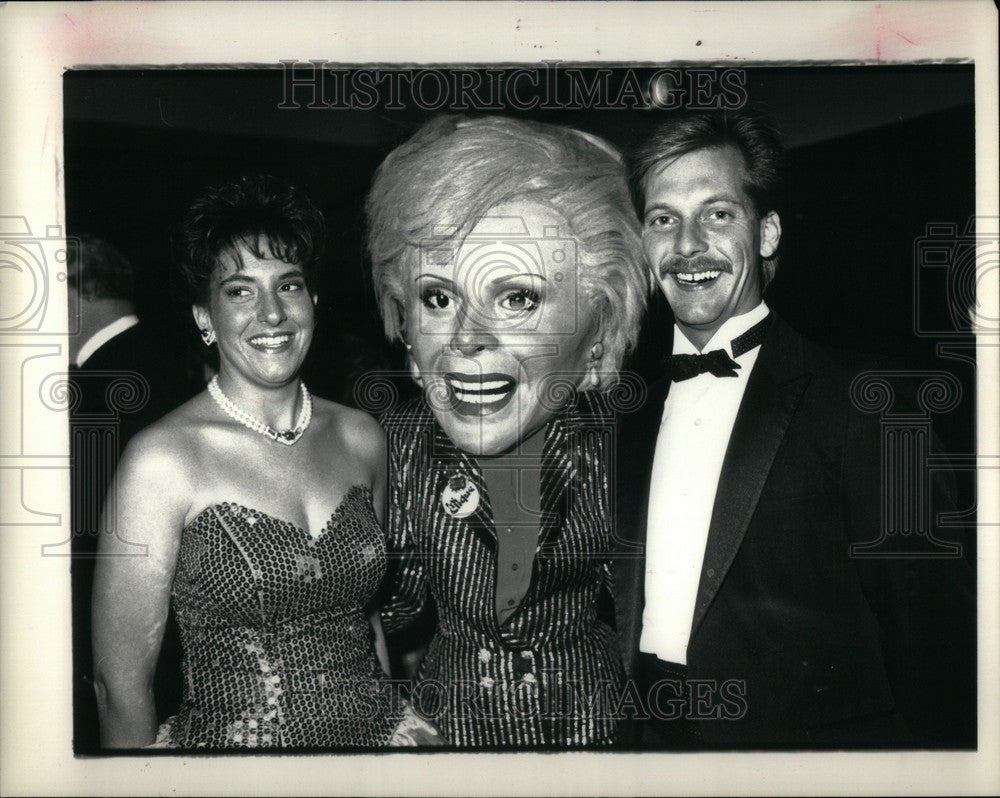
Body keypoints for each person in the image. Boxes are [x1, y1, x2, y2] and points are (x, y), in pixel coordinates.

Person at [614, 110, 976, 748]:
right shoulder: (622, 408)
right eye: (663, 218)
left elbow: (936, 647)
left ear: (767, 233)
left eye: (718, 213)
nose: (688, 244)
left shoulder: (872, 406)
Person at [92, 175, 437, 748]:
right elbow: (119, 686)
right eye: (240, 291)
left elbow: (366, 617)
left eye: (289, 286)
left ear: (314, 304)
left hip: (383, 746)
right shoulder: (161, 460)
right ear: (205, 317)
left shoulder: (362, 436)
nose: (271, 313)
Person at [365, 115, 648, 747]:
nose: (466, 338)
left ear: (599, 336)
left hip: (594, 734)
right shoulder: (398, 448)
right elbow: (387, 604)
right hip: (448, 735)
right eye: (438, 299)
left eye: (516, 298)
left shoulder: (627, 447)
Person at [67, 234, 192, 752]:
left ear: (70, 291)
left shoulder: (92, 391)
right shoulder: (175, 361)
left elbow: (86, 547)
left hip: (137, 675)